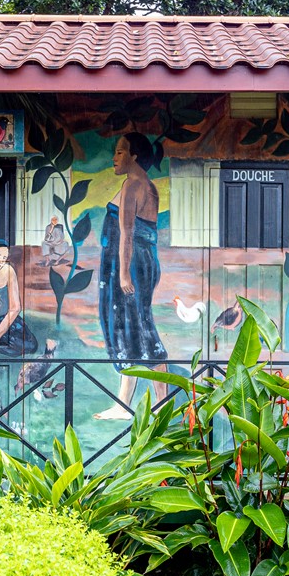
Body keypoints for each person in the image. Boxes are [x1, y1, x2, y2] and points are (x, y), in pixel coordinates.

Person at [94, 133, 168, 420]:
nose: (115, 157)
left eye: (120, 152)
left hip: (129, 265)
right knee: (136, 325)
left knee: (132, 327)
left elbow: (127, 233)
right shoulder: (149, 186)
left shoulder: (132, 185)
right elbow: (149, 235)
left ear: (134, 156)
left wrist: (124, 274)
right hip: (143, 263)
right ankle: (134, 401)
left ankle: (128, 404)